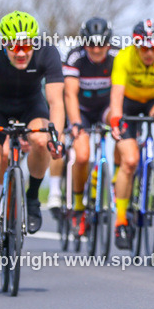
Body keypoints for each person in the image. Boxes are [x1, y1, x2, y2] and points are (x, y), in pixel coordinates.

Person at [0, 11, 65, 262]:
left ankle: (32, 198)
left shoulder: (48, 52)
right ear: (3, 43)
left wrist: (58, 137)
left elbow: (56, 101)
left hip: (31, 105)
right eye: (14, 46)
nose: (21, 52)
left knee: (41, 140)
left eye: (26, 45)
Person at [108, 19, 154, 249]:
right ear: (136, 45)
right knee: (129, 161)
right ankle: (120, 221)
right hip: (128, 103)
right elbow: (116, 95)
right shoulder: (124, 57)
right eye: (144, 48)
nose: (149, 53)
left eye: (153, 48)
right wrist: (116, 119)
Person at [62, 17, 117, 235]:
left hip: (105, 108)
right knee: (82, 155)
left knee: (122, 131)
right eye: (91, 45)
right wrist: (75, 124)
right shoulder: (75, 57)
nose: (96, 49)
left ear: (109, 43)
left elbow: (119, 93)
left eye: (101, 44)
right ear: (84, 43)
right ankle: (77, 205)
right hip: (82, 110)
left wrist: (117, 122)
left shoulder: (116, 56)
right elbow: (69, 94)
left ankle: (114, 183)